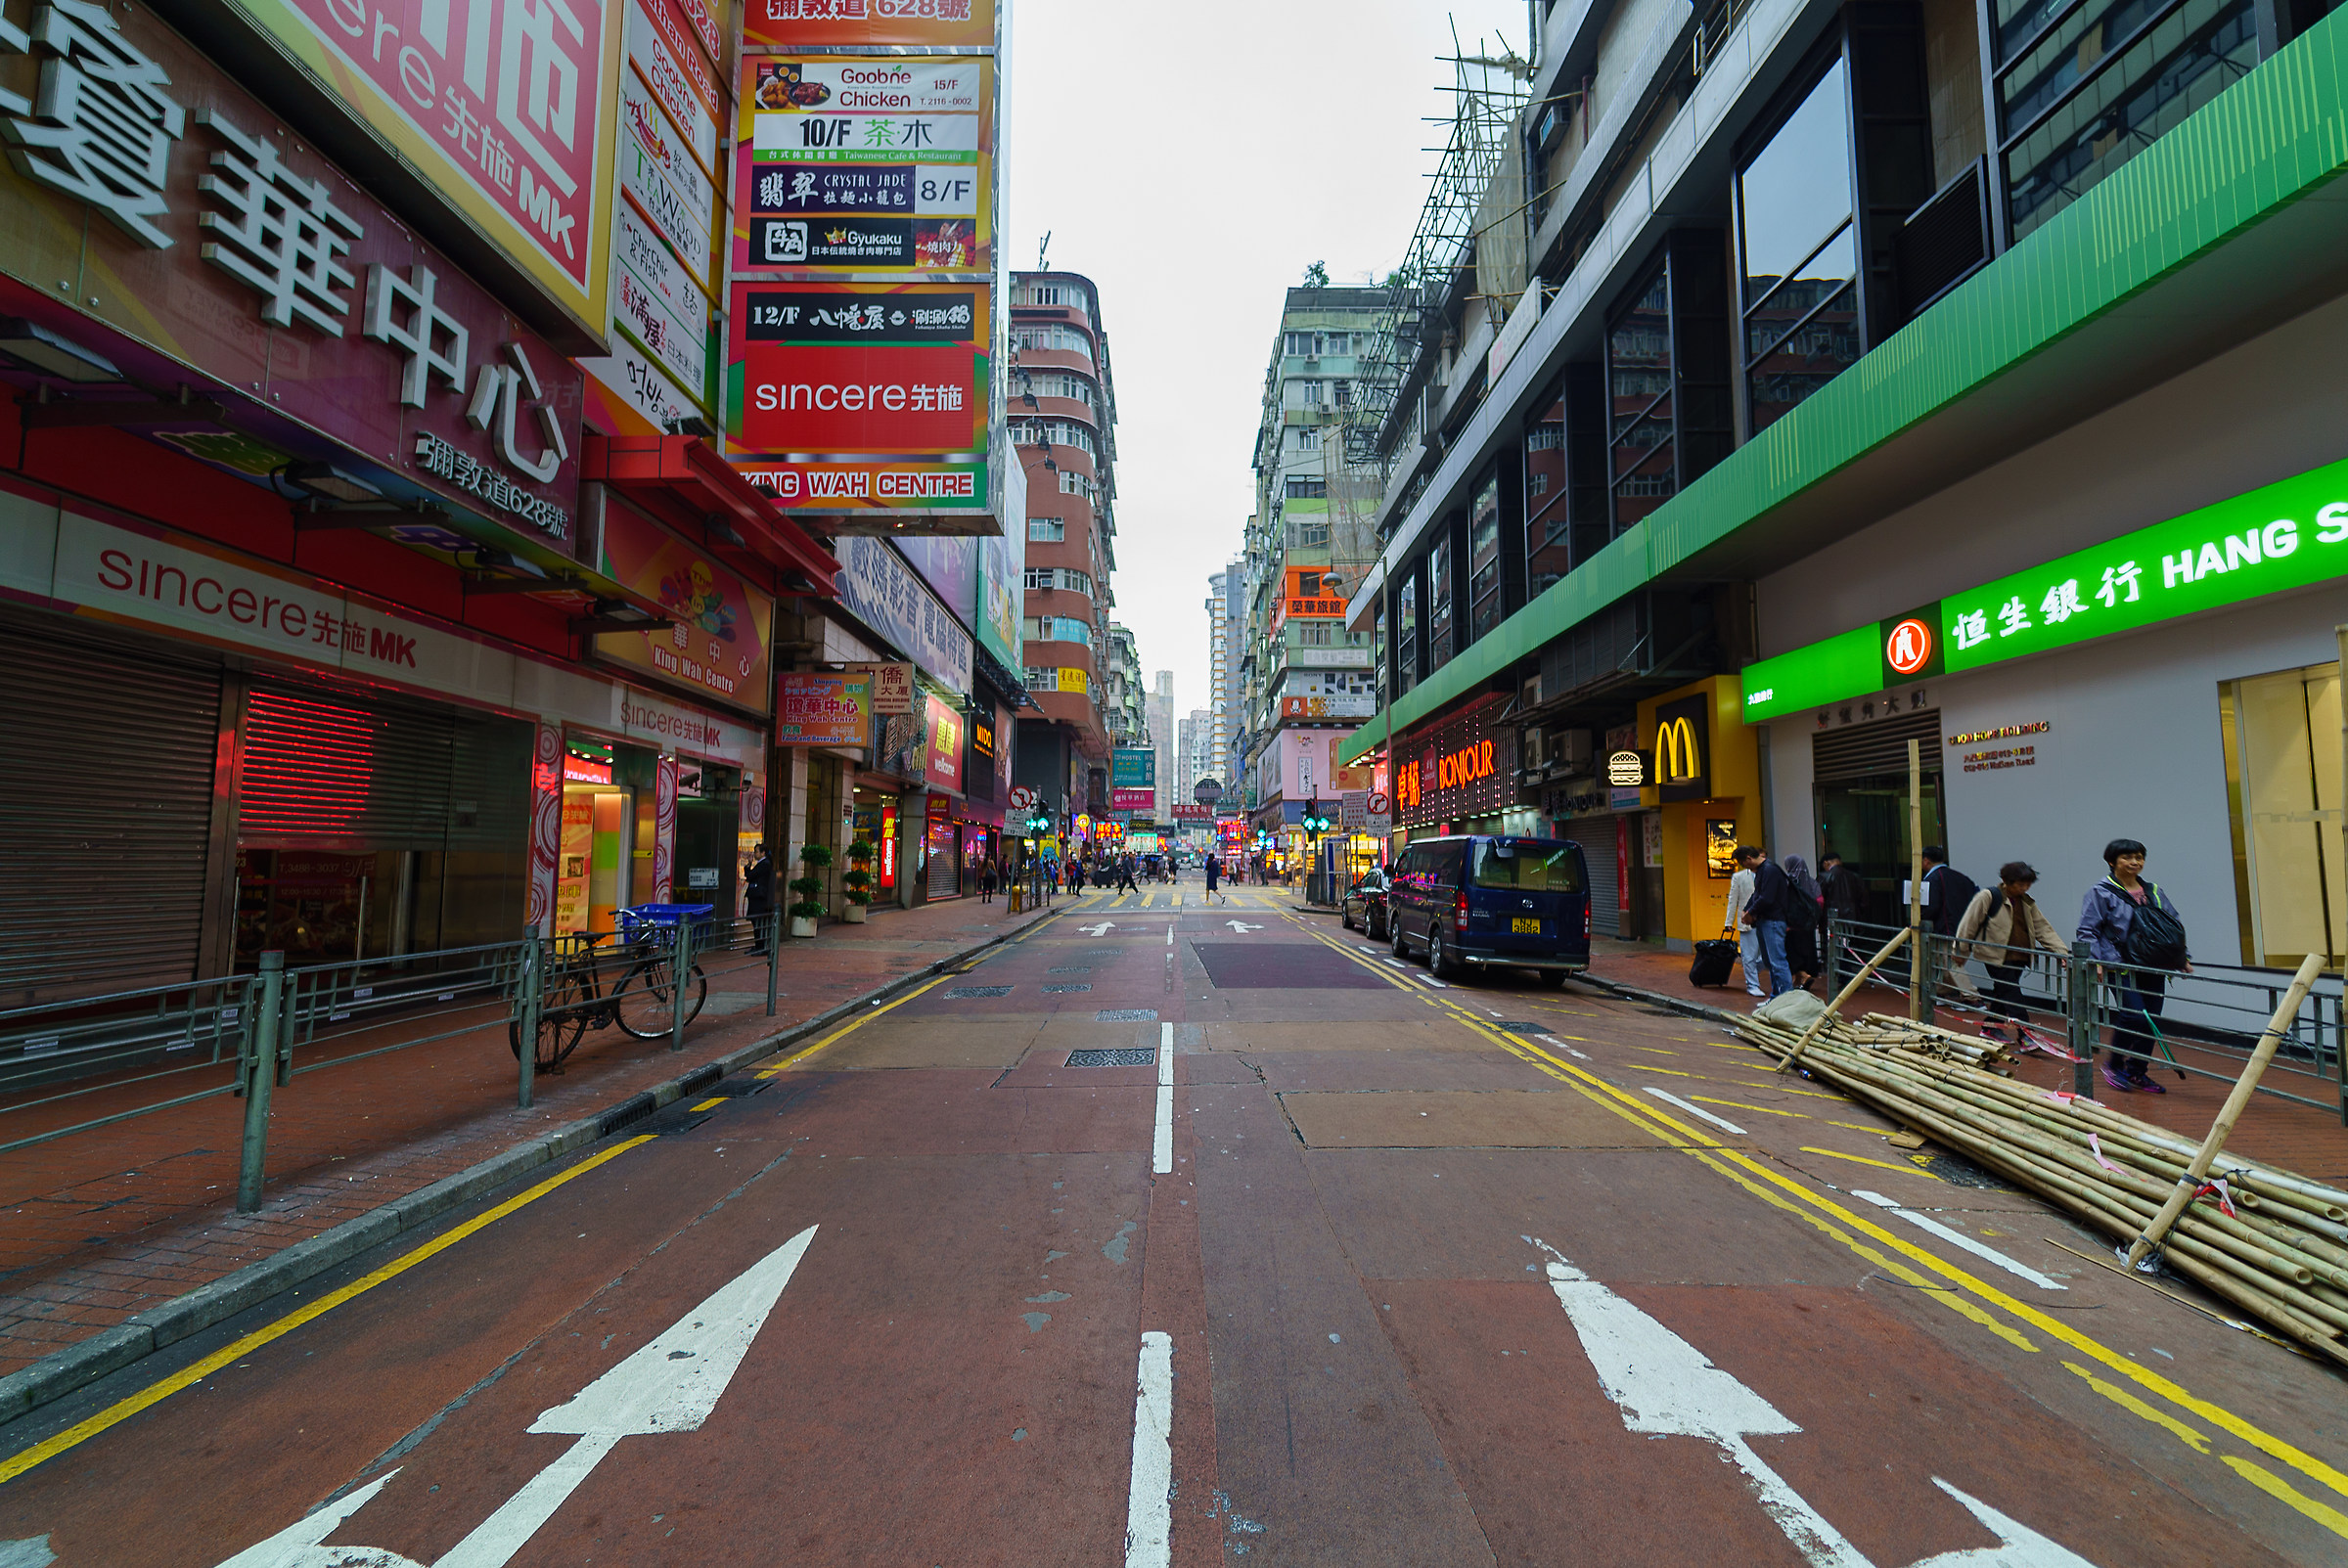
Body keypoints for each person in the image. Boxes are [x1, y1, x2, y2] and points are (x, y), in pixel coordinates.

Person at [2076, 838, 2189, 1094]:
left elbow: (2172, 925)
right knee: (2134, 1015)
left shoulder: (2154, 891)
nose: (2135, 862)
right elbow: (2087, 930)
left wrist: (2183, 958)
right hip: (2120, 964)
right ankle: (2114, 1064)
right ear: (2112, 862)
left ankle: (2137, 1071)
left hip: (2153, 965)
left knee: (2151, 1021)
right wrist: (2097, 962)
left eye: (2139, 857)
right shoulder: (2100, 892)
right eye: (2127, 857)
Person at [1955, 861, 2068, 1045]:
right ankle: (2026, 1034)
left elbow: (2042, 928)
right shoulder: (1989, 896)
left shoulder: (2027, 902)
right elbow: (1969, 923)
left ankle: (1991, 1027)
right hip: (1995, 956)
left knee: (2004, 992)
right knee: (2012, 994)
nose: (2024, 888)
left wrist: (2061, 952)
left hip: (2020, 955)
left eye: (2028, 884)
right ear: (2006, 881)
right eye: (2020, 884)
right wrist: (1960, 950)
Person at [1738, 845, 1796, 998]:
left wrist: (1750, 912)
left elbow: (1766, 898)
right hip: (1767, 920)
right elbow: (1758, 895)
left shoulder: (1769, 870)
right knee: (1772, 962)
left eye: (1744, 864)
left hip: (1773, 920)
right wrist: (1748, 910)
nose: (1746, 868)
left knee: (1777, 962)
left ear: (1749, 858)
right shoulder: (1764, 870)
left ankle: (1785, 998)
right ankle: (1777, 997)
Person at [1781, 854, 1825, 989]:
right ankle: (1801, 979)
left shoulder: (1788, 882)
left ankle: (1803, 977)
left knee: (1792, 953)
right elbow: (1820, 901)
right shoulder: (1812, 882)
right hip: (1808, 926)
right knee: (1807, 952)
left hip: (1792, 926)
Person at [1819, 851, 1863, 985]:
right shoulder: (1854, 877)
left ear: (1826, 863)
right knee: (1845, 948)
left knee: (1834, 949)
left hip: (1831, 919)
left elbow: (1819, 899)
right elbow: (1863, 900)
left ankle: (1845, 977)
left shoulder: (1824, 877)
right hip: (1850, 919)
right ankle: (1847, 976)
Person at [1728, 854, 1765, 998]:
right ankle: (1752, 984)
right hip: (1747, 921)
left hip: (1765, 921)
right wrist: (1728, 922)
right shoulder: (1739, 877)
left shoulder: (1767, 875)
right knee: (1749, 956)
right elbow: (1733, 900)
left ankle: (1752, 973)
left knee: (1765, 957)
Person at [743, 842, 775, 953]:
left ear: (763, 853)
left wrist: (749, 866)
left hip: (759, 897)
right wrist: (749, 865)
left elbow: (750, 876)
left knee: (758, 922)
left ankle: (761, 946)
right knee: (756, 921)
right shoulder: (762, 864)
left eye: (756, 851)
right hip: (756, 896)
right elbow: (750, 876)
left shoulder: (765, 864)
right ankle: (759, 945)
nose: (754, 854)